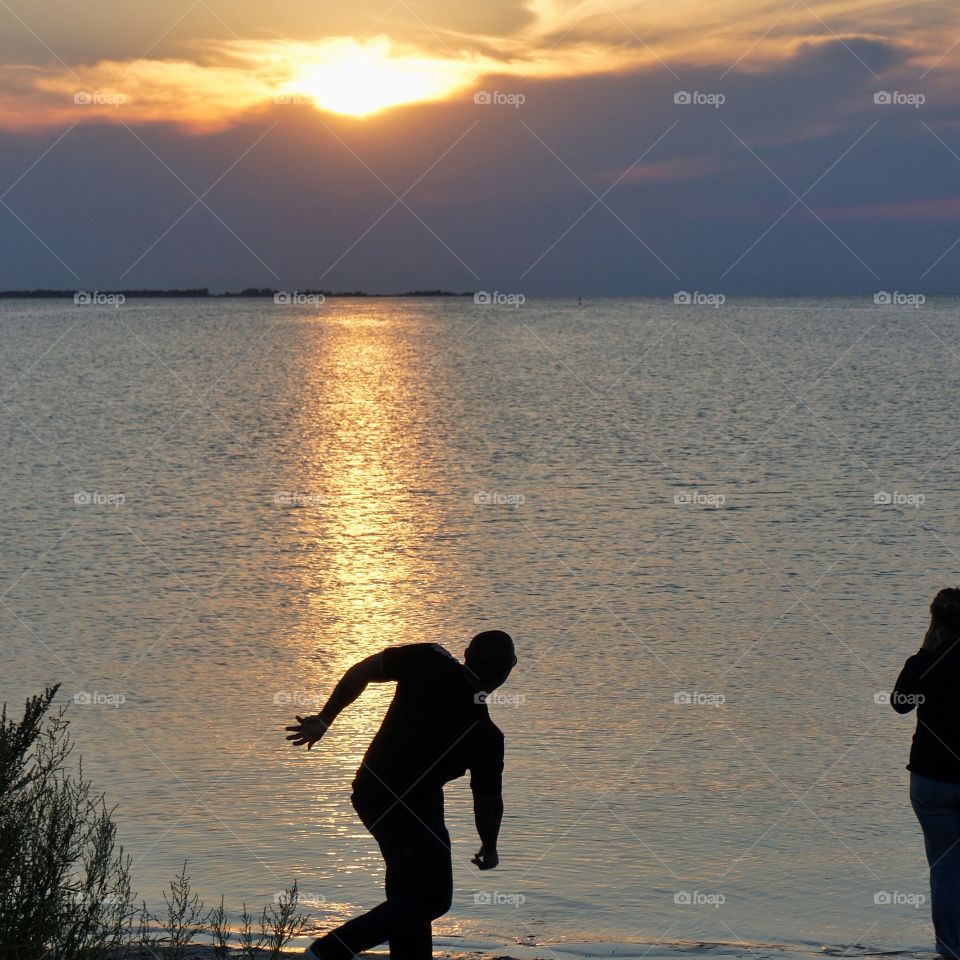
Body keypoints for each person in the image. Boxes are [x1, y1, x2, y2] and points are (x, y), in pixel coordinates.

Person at [286, 631, 517, 960]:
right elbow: (487, 801)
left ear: (466, 652)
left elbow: (363, 669)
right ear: (508, 670)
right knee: (434, 898)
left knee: (409, 890)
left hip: (371, 791)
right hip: (409, 805)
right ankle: (328, 951)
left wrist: (325, 719)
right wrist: (489, 846)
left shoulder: (427, 658)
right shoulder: (486, 736)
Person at [892, 589, 960, 959]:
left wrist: (924, 654)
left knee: (946, 869)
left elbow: (899, 704)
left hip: (932, 779)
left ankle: (950, 950)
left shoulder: (925, 662)